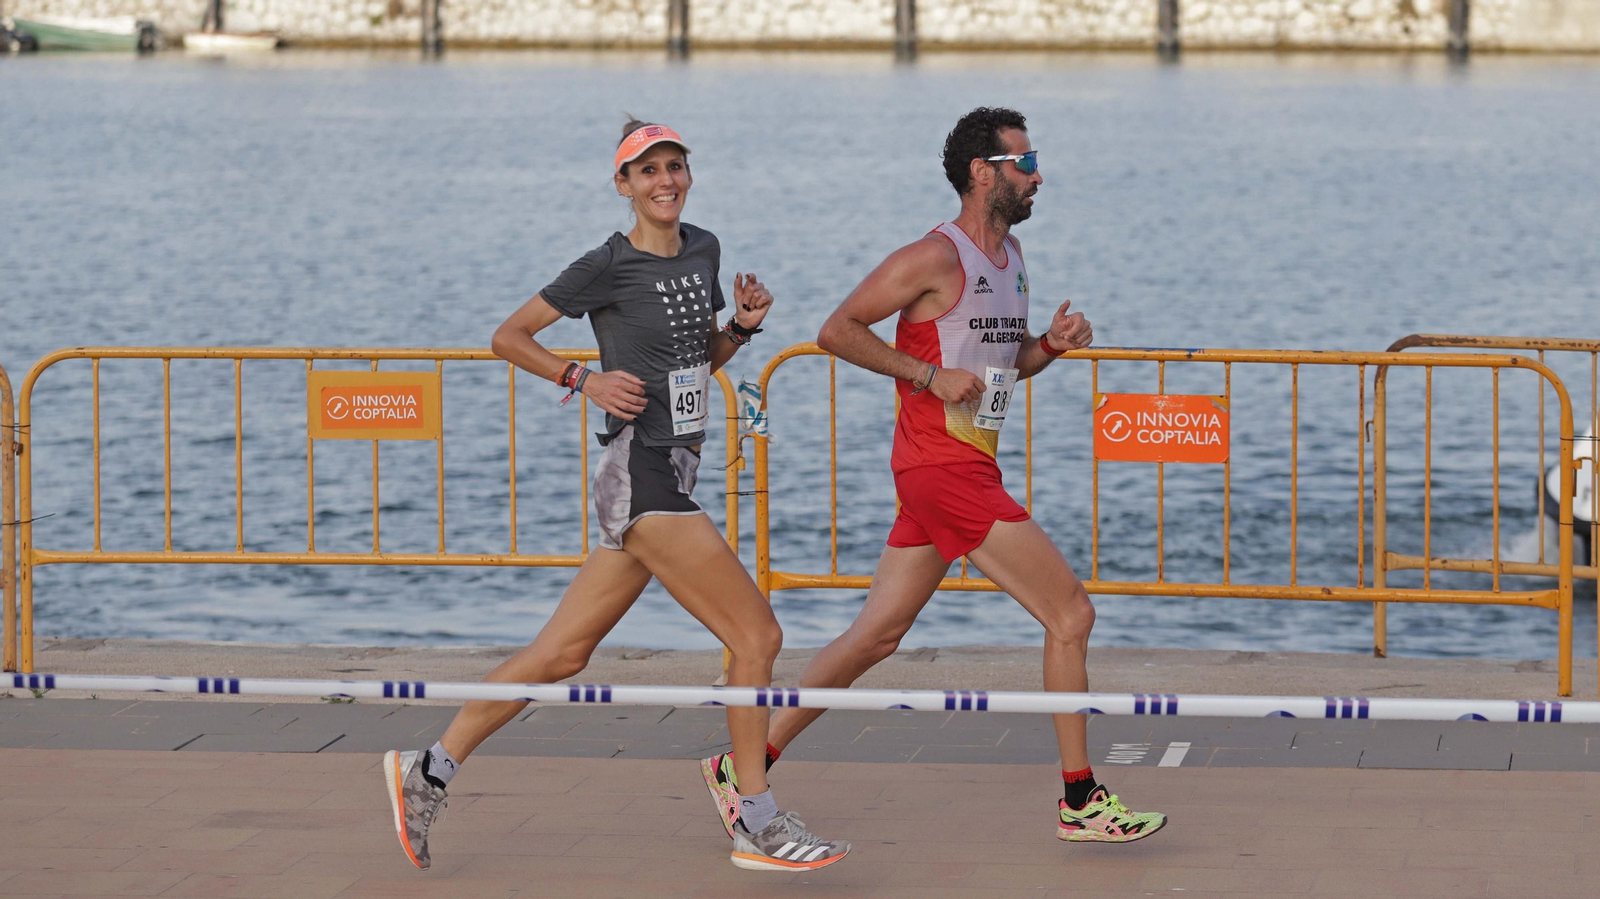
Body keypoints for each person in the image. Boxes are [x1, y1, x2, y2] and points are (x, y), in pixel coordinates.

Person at [384, 120, 849, 873]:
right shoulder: (606, 263)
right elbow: (509, 335)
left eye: (676, 167)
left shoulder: (705, 249)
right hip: (642, 477)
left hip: (677, 470)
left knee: (562, 653)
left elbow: (695, 359)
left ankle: (426, 770)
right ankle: (755, 819)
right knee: (757, 637)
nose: (667, 181)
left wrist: (740, 327)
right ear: (624, 184)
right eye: (649, 171)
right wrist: (583, 378)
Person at [701, 107, 1167, 843]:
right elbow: (836, 329)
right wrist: (924, 373)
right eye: (1025, 161)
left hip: (960, 465)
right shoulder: (933, 256)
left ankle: (744, 760)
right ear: (984, 172)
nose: (1038, 175)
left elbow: (999, 375)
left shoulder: (1010, 260)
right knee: (1070, 614)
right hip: (941, 469)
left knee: (875, 636)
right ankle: (1080, 800)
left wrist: (1050, 343)